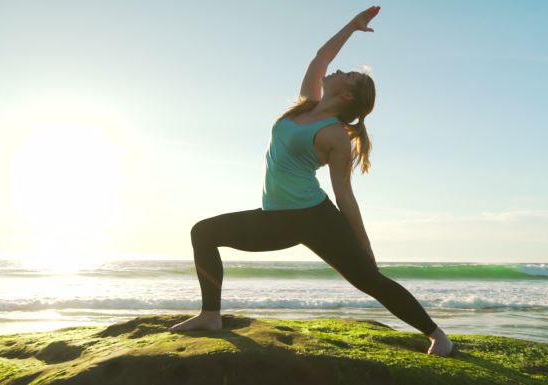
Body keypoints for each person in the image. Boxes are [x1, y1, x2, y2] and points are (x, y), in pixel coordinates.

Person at [169, 5, 455, 357]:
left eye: (346, 74)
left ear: (347, 95)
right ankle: (211, 315)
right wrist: (352, 26)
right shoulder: (305, 106)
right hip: (274, 218)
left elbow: (344, 195)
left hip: (314, 217)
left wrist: (363, 244)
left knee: (368, 280)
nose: (337, 70)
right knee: (204, 232)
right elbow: (322, 55)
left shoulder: (335, 136)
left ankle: (437, 335)